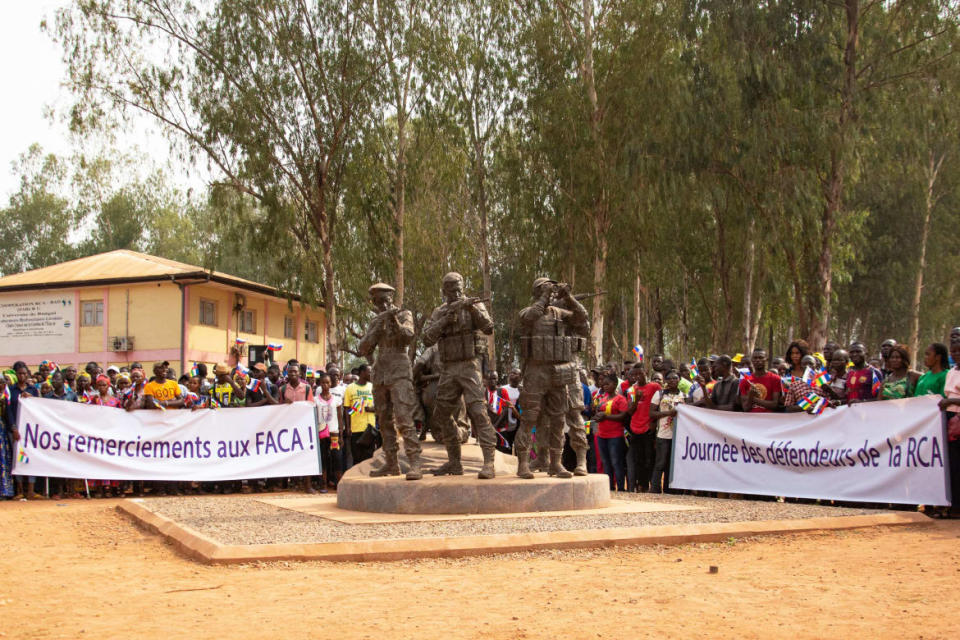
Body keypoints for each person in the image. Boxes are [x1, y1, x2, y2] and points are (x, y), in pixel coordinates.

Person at [420, 272, 498, 479]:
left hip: (469, 365)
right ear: (444, 291)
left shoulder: (473, 305)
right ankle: (454, 463)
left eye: (459, 288)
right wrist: (445, 320)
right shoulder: (440, 311)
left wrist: (471, 308)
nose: (456, 292)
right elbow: (427, 338)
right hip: (447, 368)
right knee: (441, 415)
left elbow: (489, 327)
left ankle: (489, 462)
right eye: (452, 289)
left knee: (478, 411)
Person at [514, 277, 591, 478]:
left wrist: (569, 297)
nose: (551, 292)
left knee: (558, 419)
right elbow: (531, 316)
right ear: (537, 292)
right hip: (536, 372)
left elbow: (581, 318)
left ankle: (556, 463)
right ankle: (523, 463)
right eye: (545, 288)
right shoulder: (527, 312)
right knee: (530, 418)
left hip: (557, 373)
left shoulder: (559, 313)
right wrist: (545, 296)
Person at [356, 283, 423, 480]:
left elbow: (408, 337)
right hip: (381, 373)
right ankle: (391, 464)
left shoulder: (404, 315)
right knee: (384, 420)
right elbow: (363, 348)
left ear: (390, 299)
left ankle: (415, 463)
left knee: (404, 418)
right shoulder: (375, 320)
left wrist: (392, 319)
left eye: (383, 299)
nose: (380, 304)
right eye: (376, 300)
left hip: (400, 370)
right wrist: (378, 325)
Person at [649, 370, 685, 494]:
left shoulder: (684, 396)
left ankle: (669, 489)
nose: (672, 380)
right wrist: (668, 413)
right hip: (663, 434)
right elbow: (652, 413)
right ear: (665, 381)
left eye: (675, 378)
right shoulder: (659, 394)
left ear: (679, 380)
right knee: (660, 462)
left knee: (672, 463)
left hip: (678, 435)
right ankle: (655, 488)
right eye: (669, 378)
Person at [626, 364, 660, 492]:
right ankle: (642, 485)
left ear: (645, 372)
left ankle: (651, 484)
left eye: (639, 374)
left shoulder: (654, 387)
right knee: (638, 458)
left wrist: (654, 422)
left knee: (649, 458)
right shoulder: (631, 390)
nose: (637, 377)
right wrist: (637, 400)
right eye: (634, 375)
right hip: (635, 427)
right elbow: (630, 411)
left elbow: (660, 405)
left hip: (648, 427)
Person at [593, 372, 628, 491]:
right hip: (601, 434)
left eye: (608, 384)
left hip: (615, 435)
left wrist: (606, 417)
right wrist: (597, 416)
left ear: (615, 384)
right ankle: (610, 487)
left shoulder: (620, 399)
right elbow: (598, 413)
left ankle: (621, 487)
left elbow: (623, 415)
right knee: (605, 462)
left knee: (616, 462)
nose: (605, 386)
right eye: (603, 384)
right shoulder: (603, 398)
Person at [937, 340, 960, 516]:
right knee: (950, 464)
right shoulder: (951, 372)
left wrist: (951, 401)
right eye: (953, 351)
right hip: (949, 418)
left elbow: (951, 398)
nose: (956, 354)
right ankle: (951, 505)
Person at [342, 364, 375, 470]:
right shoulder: (350, 388)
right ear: (362, 373)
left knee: (369, 457)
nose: (371, 374)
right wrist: (347, 427)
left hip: (370, 428)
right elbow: (347, 409)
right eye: (369, 371)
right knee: (357, 457)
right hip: (355, 429)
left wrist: (371, 409)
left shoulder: (372, 387)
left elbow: (380, 406)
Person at [314, 372, 337, 493]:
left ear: (331, 384)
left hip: (334, 433)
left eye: (327, 382)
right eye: (323, 382)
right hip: (321, 433)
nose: (325, 385)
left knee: (335, 457)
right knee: (323, 458)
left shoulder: (336, 399)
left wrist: (341, 432)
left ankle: (335, 482)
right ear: (320, 384)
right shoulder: (315, 400)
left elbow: (341, 415)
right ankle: (323, 484)